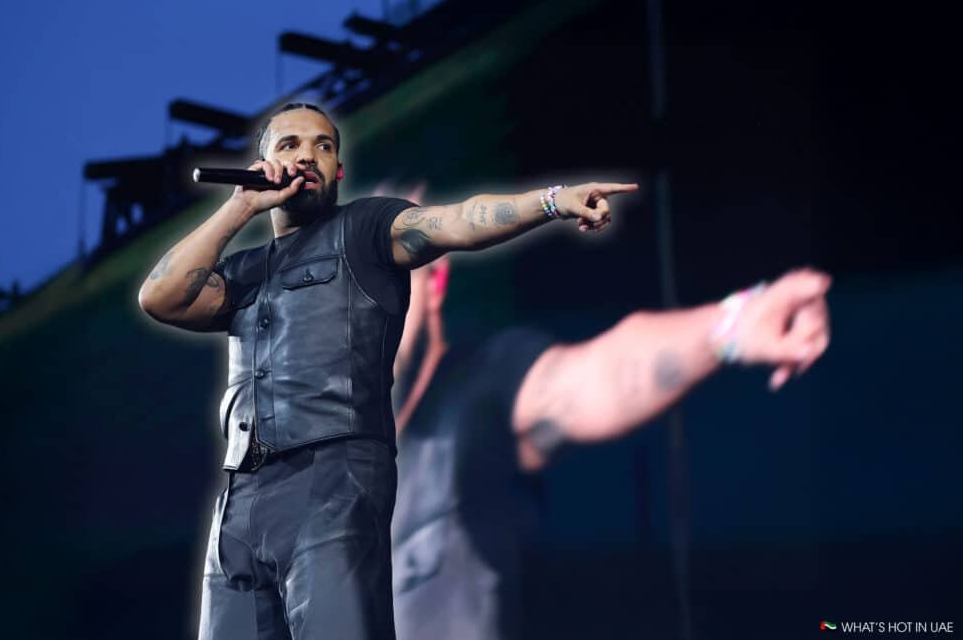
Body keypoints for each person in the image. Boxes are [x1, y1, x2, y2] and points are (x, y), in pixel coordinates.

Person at [136, 102, 639, 640]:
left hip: (330, 480)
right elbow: (159, 297)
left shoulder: (367, 229)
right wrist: (240, 207)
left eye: (324, 146)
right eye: (290, 145)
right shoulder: (239, 274)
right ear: (263, 164)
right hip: (240, 501)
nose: (308, 154)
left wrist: (553, 201)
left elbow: (460, 220)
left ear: (339, 171)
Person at [389, 192, 832, 640]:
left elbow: (604, 375)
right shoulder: (327, 441)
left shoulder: (482, 390)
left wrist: (732, 327)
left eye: (392, 269)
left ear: (436, 279)